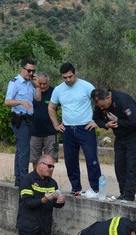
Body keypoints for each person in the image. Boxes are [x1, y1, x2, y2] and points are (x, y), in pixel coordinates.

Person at [48, 62, 101, 197]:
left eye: (70, 76)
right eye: (64, 77)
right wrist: (56, 124)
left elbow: (99, 102)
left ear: (74, 73)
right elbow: (51, 107)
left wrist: (96, 121)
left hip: (86, 128)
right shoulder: (59, 90)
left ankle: (96, 189)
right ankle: (75, 187)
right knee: (70, 160)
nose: (68, 80)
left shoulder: (86, 86)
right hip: (68, 130)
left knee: (91, 159)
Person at [91, 89, 136, 202]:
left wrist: (118, 121)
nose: (102, 109)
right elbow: (96, 119)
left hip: (135, 136)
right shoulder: (100, 104)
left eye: (103, 106)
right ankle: (123, 194)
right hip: (120, 137)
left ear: (108, 98)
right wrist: (105, 124)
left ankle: (129, 197)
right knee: (119, 167)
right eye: (99, 107)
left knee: (132, 167)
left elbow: (135, 121)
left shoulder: (123, 100)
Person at [16, 154, 65, 235]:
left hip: (45, 230)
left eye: (53, 167)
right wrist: (43, 200)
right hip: (28, 229)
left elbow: (54, 203)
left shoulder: (52, 183)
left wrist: (60, 202)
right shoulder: (27, 180)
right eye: (49, 166)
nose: (51, 169)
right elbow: (28, 202)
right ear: (39, 165)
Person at [5, 58, 37, 187]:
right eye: (29, 70)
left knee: (20, 151)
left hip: (29, 120)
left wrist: (37, 85)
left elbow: (37, 98)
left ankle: (19, 179)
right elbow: (7, 101)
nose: (30, 73)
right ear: (21, 69)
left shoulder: (30, 84)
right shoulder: (15, 83)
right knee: (24, 152)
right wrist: (21, 102)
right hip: (20, 120)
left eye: (33, 71)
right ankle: (24, 181)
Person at [30, 72, 58, 168]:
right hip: (34, 132)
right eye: (40, 83)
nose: (42, 86)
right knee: (35, 160)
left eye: (44, 84)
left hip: (50, 133)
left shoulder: (54, 92)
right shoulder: (32, 91)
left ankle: (47, 181)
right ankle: (36, 180)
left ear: (48, 82)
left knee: (50, 160)